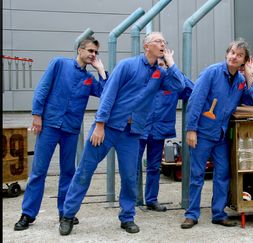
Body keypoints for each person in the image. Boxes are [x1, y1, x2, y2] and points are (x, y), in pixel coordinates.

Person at [58, 32, 185, 235]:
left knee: (129, 177)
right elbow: (109, 92)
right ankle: (67, 215)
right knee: (84, 171)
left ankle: (127, 217)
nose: (163, 44)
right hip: (107, 128)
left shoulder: (160, 74)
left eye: (164, 41)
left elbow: (179, 86)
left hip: (132, 133)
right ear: (146, 46)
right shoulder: (127, 65)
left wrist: (171, 64)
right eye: (158, 41)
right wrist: (99, 124)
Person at [14, 36, 108, 231]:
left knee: (68, 172)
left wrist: (100, 71)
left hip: (71, 130)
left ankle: (65, 212)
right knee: (39, 171)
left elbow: (105, 93)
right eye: (90, 51)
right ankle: (27, 214)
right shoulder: (59, 64)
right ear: (80, 50)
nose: (93, 55)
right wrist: (37, 115)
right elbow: (43, 88)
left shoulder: (89, 79)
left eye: (96, 53)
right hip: (49, 125)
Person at [180, 39, 253, 229]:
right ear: (226, 54)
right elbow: (195, 101)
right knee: (197, 174)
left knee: (222, 174)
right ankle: (192, 214)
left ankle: (218, 213)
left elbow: (251, 100)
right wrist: (191, 129)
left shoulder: (239, 81)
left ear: (244, 61)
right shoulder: (212, 73)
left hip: (222, 136)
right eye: (232, 52)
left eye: (239, 55)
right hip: (203, 133)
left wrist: (249, 77)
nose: (234, 57)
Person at [137, 57, 194, 212]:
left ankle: (151, 200)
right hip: (139, 128)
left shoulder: (172, 83)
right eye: (158, 65)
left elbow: (191, 90)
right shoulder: (144, 80)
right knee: (132, 165)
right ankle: (132, 199)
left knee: (154, 166)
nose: (160, 68)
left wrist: (174, 68)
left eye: (163, 65)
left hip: (158, 130)